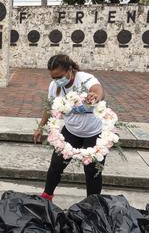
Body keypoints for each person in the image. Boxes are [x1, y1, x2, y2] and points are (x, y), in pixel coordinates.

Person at [33, 54, 106, 200]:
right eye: (53, 77)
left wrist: (95, 96)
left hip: (93, 133)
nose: (57, 80)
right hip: (71, 131)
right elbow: (49, 108)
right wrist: (40, 127)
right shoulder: (54, 87)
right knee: (56, 165)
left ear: (70, 70)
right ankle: (47, 196)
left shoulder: (84, 79)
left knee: (92, 171)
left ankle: (93, 204)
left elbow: (98, 89)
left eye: (60, 76)